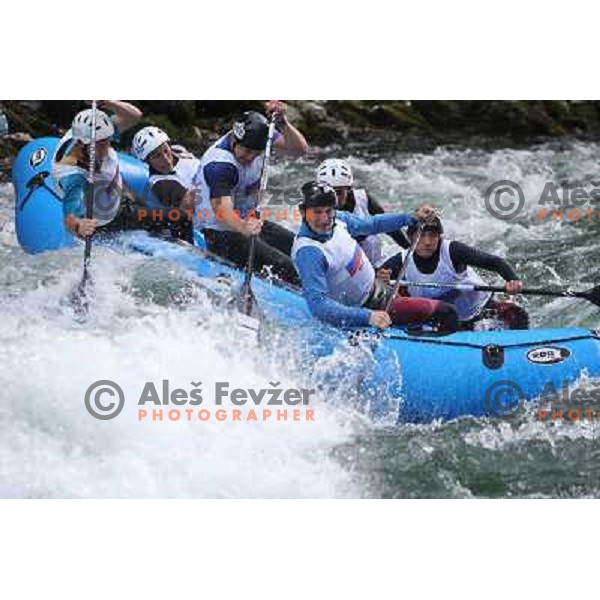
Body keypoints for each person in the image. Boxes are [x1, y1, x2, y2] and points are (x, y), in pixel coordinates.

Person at [291, 182, 459, 332]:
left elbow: (373, 224)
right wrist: (367, 317)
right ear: (302, 211)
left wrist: (411, 217)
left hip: (380, 291)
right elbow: (318, 306)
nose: (324, 219)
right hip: (366, 309)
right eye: (317, 212)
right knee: (446, 312)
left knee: (440, 309)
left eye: (328, 211)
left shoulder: (338, 220)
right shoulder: (310, 253)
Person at [194, 102, 308, 285]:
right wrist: (243, 228)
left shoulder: (261, 139)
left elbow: (299, 150)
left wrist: (284, 124)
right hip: (221, 233)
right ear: (234, 139)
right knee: (288, 268)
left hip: (250, 222)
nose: (250, 158)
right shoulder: (220, 165)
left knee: (303, 248)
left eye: (256, 154)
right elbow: (222, 212)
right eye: (246, 152)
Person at [401, 216, 530, 329]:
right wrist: (382, 278)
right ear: (410, 237)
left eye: (432, 235)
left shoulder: (453, 251)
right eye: (421, 235)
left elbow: (495, 262)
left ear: (439, 237)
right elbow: (381, 283)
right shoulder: (400, 260)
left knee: (518, 315)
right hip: (443, 320)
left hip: (481, 310)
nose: (427, 242)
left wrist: (512, 280)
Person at [53, 101, 144, 238]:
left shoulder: (91, 132)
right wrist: (79, 226)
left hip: (114, 191)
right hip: (106, 217)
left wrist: (106, 102)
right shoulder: (74, 177)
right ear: (82, 145)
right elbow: (69, 219)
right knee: (176, 217)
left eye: (108, 141)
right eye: (101, 145)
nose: (107, 149)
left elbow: (135, 116)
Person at [316, 158, 410, 283]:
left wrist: (410, 249)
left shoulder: (363, 199)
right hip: (348, 276)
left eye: (339, 192)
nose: (333, 199)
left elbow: (390, 228)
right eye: (328, 192)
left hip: (377, 265)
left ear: (349, 189)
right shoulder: (315, 214)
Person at [131, 125, 197, 242]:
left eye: (166, 151)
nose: (166, 159)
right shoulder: (160, 183)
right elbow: (188, 204)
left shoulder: (179, 150)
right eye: (157, 156)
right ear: (147, 161)